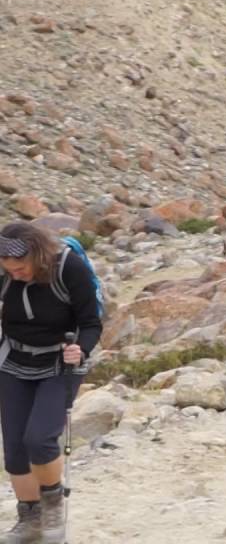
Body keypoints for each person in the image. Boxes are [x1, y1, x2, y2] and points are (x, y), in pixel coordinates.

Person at [0, 223, 102, 544]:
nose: (15, 274)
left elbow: (91, 322)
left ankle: (53, 504)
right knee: (15, 447)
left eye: (20, 268)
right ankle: (30, 518)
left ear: (38, 255)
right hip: (13, 361)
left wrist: (81, 348)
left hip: (60, 362)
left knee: (40, 439)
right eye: (8, 269)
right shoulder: (5, 273)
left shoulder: (67, 268)